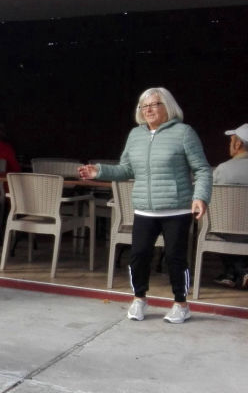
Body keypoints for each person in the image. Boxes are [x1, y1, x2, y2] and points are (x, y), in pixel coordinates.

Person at [79, 87, 211, 323]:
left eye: (155, 104)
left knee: (175, 258)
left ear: (168, 107)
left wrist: (200, 197)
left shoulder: (184, 133)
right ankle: (139, 298)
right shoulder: (135, 135)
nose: (148, 110)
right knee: (138, 255)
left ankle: (181, 304)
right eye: (144, 106)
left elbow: (202, 169)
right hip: (144, 209)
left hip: (177, 208)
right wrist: (99, 171)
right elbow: (126, 169)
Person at [211, 123, 248, 289]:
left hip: (227, 229)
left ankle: (235, 272)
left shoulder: (223, 169)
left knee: (211, 226)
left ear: (238, 144)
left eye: (231, 141)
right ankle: (236, 272)